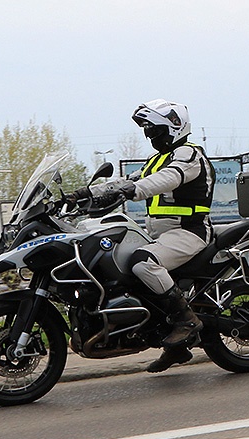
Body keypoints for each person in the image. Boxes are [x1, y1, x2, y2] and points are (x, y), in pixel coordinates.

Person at [85, 99, 216, 373]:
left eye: (155, 131)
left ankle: (186, 319)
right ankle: (175, 346)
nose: (151, 137)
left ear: (174, 127)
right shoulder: (156, 160)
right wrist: (85, 194)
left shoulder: (189, 155)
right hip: (162, 236)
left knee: (143, 261)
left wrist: (134, 190)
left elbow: (167, 179)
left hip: (189, 232)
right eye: (148, 132)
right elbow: (126, 181)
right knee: (126, 272)